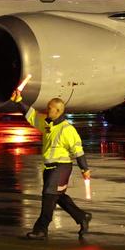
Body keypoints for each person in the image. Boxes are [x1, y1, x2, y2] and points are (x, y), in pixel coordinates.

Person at [11, 89, 92, 239]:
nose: (47, 110)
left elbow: (78, 151)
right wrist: (18, 101)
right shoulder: (48, 124)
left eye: (50, 108)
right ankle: (82, 217)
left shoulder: (67, 130)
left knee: (48, 195)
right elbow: (31, 115)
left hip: (61, 167)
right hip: (49, 167)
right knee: (58, 196)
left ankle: (41, 229)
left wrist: (84, 169)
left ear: (59, 111)